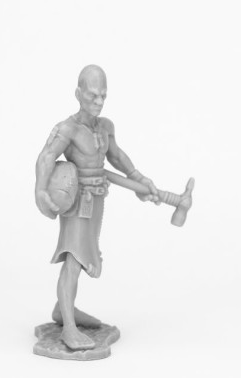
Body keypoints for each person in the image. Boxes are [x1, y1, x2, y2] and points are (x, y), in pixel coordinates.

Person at [35, 65, 160, 350]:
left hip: (97, 200)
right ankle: (68, 328)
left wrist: (139, 179)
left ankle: (62, 309)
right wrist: (41, 190)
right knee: (74, 258)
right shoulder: (68, 129)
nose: (99, 101)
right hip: (77, 202)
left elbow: (116, 156)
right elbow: (46, 157)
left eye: (103, 95)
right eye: (93, 95)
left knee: (86, 257)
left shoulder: (105, 127)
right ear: (78, 94)